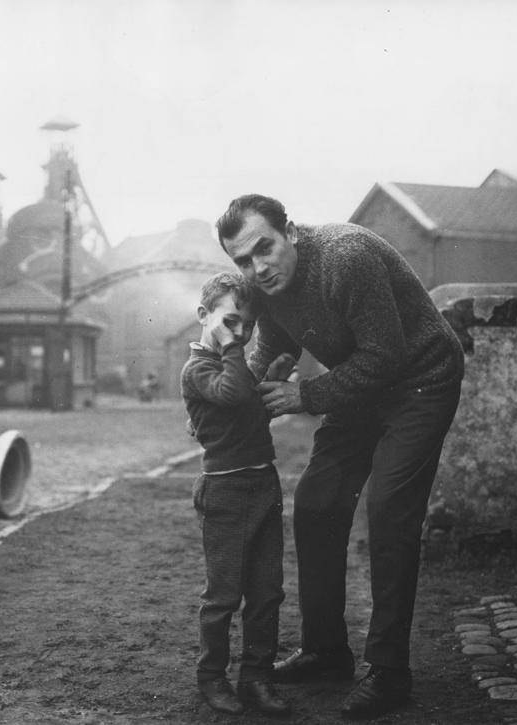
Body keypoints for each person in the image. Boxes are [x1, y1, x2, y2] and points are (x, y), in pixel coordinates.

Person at [214, 194, 465, 720]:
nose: (257, 267)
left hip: (420, 381)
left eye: (265, 248)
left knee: (391, 510)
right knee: (317, 504)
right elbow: (269, 349)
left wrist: (305, 398)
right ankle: (327, 652)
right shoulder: (266, 286)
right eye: (242, 260)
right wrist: (228, 403)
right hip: (362, 387)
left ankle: (390, 672)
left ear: (292, 234)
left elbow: (384, 356)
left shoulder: (346, 258)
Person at [180, 271, 296, 716]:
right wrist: (235, 353)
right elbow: (229, 394)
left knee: (267, 593)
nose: (241, 334)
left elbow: (248, 416)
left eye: (248, 326)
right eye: (230, 322)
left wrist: (268, 377)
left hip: (263, 486)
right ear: (203, 315)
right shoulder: (198, 369)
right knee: (224, 597)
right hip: (225, 492)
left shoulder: (236, 365)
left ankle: (256, 677)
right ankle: (212, 678)